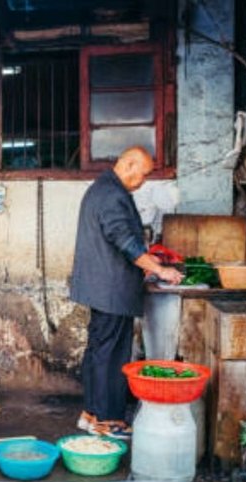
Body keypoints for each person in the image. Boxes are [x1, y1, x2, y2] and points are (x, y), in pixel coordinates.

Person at [70, 146, 184, 438]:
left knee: (99, 351)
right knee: (111, 356)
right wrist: (160, 270)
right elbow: (124, 241)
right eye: (143, 175)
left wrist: (149, 261)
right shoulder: (112, 195)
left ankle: (92, 414)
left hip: (102, 288)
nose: (143, 181)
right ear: (129, 164)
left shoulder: (104, 188)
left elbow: (123, 241)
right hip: (111, 290)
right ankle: (108, 421)